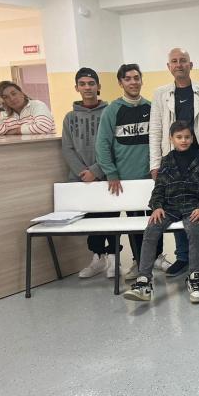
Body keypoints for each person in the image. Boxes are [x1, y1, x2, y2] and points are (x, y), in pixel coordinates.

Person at [123, 120, 199, 304]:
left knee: (195, 229)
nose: (184, 140)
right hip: (170, 207)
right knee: (151, 229)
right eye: (179, 137)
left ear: (192, 138)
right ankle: (143, 282)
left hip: (193, 206)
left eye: (187, 137)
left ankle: (195, 277)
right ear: (171, 139)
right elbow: (159, 188)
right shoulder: (166, 160)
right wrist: (157, 206)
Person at [149, 47, 199, 277]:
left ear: (190, 64)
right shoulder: (160, 94)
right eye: (174, 61)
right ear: (169, 67)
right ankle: (183, 257)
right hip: (172, 159)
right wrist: (155, 164)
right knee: (175, 204)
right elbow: (155, 130)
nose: (179, 64)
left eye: (183, 60)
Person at [95, 63, 161, 279]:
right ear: (120, 83)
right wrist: (111, 173)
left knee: (156, 218)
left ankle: (157, 257)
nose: (133, 82)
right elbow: (102, 144)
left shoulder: (152, 108)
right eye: (128, 79)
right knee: (135, 224)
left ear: (142, 80)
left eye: (136, 78)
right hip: (126, 180)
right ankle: (140, 263)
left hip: (151, 177)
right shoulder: (112, 110)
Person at [61, 67, 119, 279]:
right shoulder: (69, 118)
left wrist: (96, 170)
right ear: (76, 87)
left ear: (98, 86)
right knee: (91, 219)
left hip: (106, 176)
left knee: (111, 217)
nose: (87, 87)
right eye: (82, 84)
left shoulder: (110, 112)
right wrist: (82, 172)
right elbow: (67, 148)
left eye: (91, 83)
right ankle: (98, 258)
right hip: (82, 179)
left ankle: (114, 258)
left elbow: (115, 146)